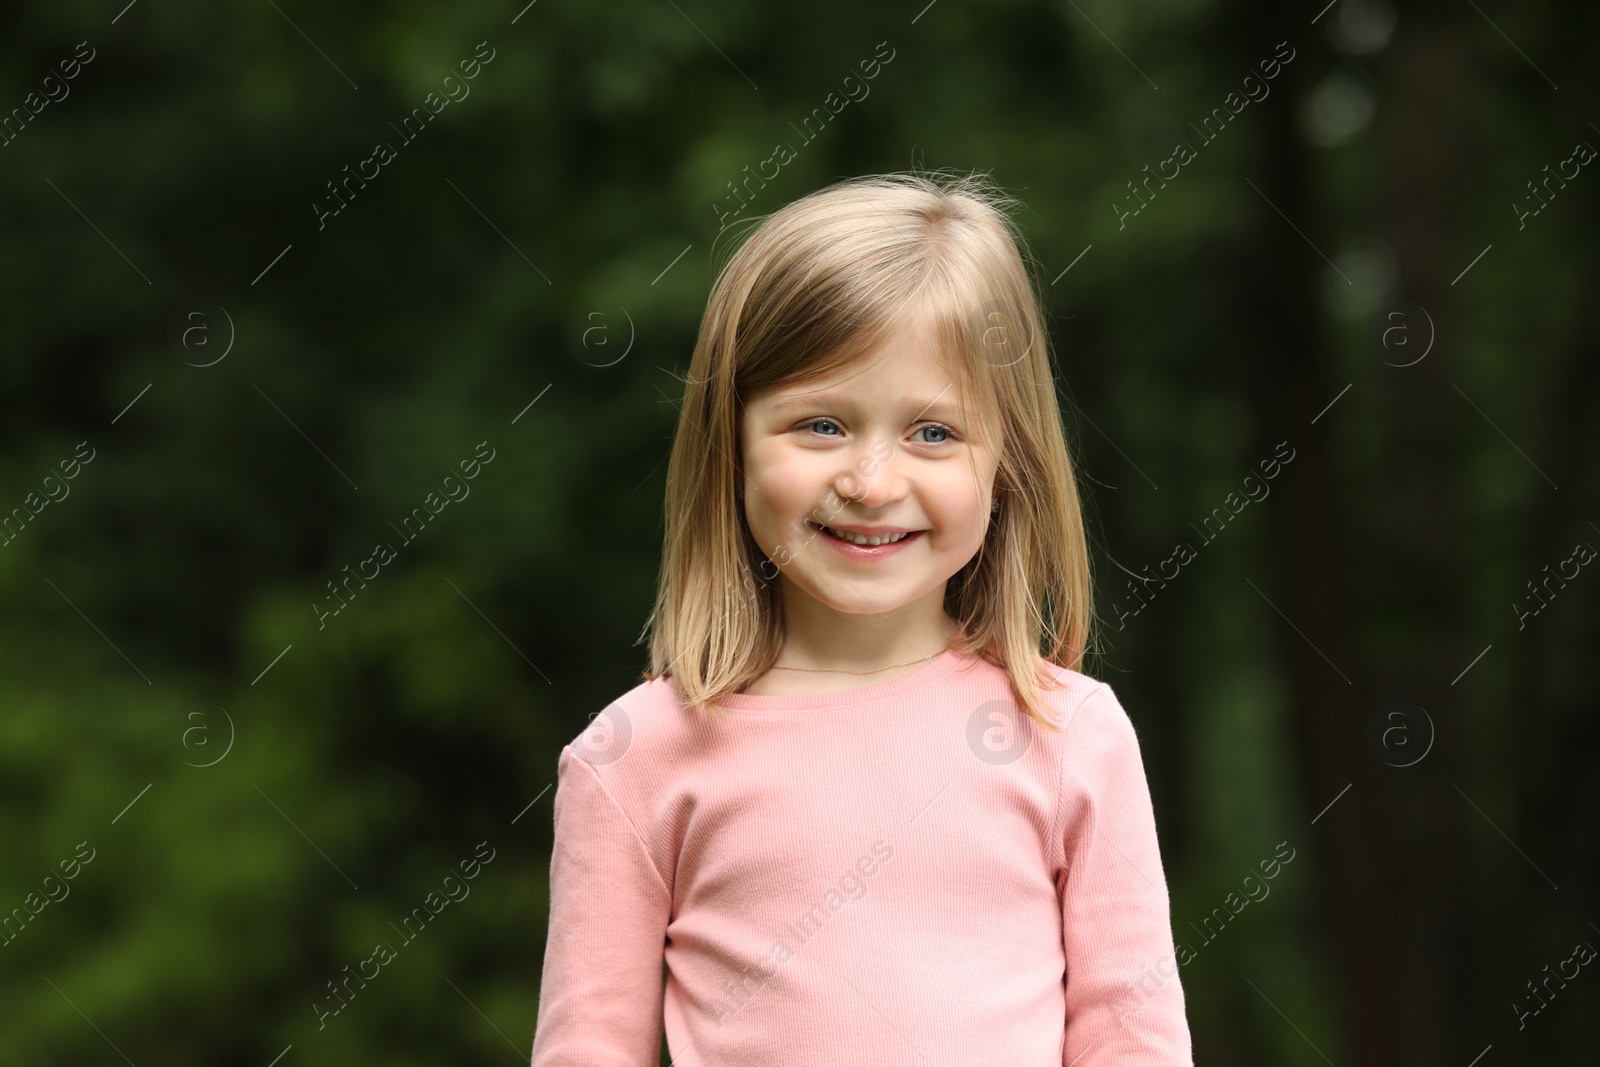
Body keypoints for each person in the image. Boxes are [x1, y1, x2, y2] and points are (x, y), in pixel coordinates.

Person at [529, 171, 1193, 1066]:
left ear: (1010, 460)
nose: (873, 483)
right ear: (729, 441)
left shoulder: (1070, 737)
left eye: (933, 433)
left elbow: (1134, 1042)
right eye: (820, 425)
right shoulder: (634, 758)